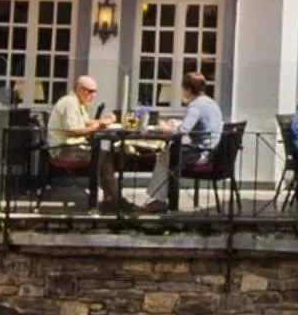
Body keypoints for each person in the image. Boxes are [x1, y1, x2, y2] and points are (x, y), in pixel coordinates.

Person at [140, 71, 224, 211]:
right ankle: (160, 198)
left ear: (188, 90)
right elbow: (200, 124)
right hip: (213, 151)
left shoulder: (195, 106)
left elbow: (182, 131)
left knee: (165, 155)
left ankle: (160, 200)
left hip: (200, 154)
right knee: (169, 154)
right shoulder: (211, 103)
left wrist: (165, 128)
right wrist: (178, 122)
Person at [46, 74, 122, 204]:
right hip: (63, 150)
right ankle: (112, 200)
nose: (93, 95)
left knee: (105, 156)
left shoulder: (78, 103)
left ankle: (112, 199)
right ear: (80, 89)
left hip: (72, 147)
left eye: (95, 91)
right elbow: (72, 131)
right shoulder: (69, 102)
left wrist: (103, 121)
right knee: (103, 157)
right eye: (90, 91)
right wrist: (99, 127)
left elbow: (86, 123)